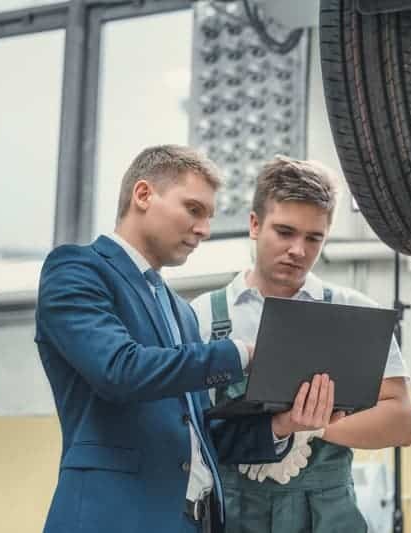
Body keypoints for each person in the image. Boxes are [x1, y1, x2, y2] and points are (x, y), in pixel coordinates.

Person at [35, 145, 340, 533]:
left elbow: (200, 435)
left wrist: (283, 424)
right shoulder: (77, 269)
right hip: (113, 518)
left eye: (209, 217)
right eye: (194, 209)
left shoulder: (180, 310)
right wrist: (244, 353)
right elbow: (119, 369)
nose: (204, 230)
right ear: (143, 194)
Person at [191, 156, 411, 533]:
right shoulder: (200, 317)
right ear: (254, 224)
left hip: (328, 516)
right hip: (234, 514)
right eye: (285, 232)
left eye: (313, 238)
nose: (298, 250)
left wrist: (310, 428)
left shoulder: (355, 313)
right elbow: (187, 429)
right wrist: (269, 432)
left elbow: (402, 423)